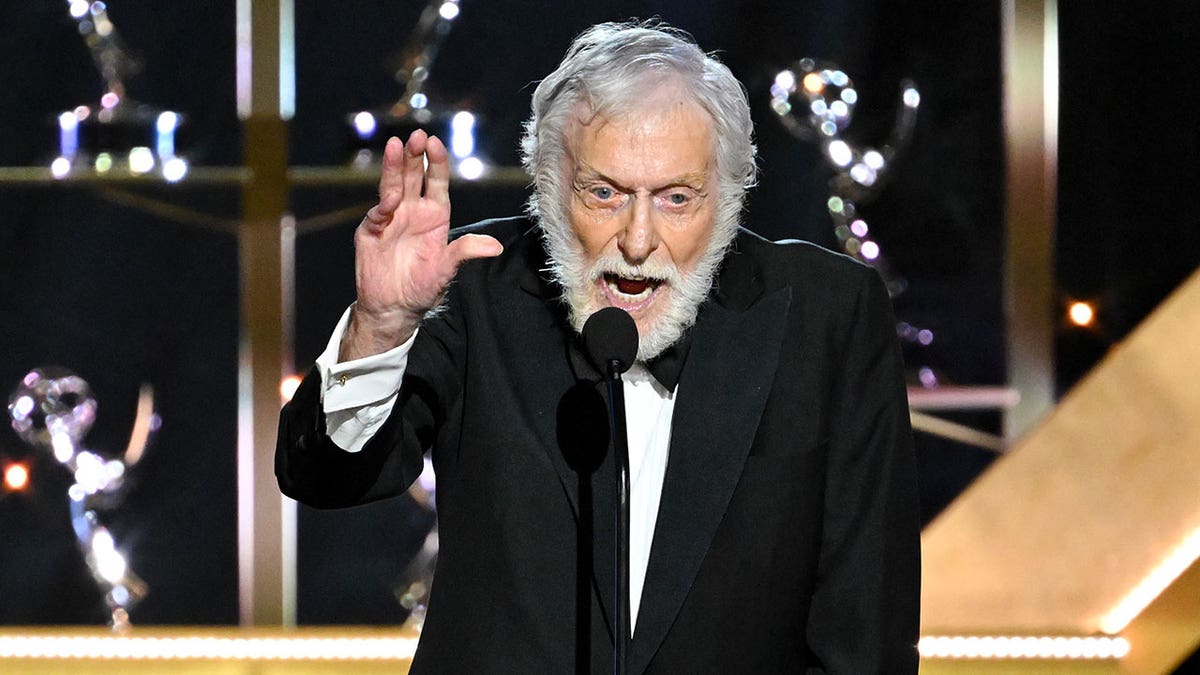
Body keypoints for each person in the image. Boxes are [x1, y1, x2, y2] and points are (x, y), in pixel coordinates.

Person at [277, 20, 920, 673]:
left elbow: (866, 637)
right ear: (551, 187)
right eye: (605, 193)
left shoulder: (830, 316)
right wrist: (381, 324)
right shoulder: (473, 288)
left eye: (675, 198)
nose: (638, 240)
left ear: (728, 197)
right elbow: (327, 476)